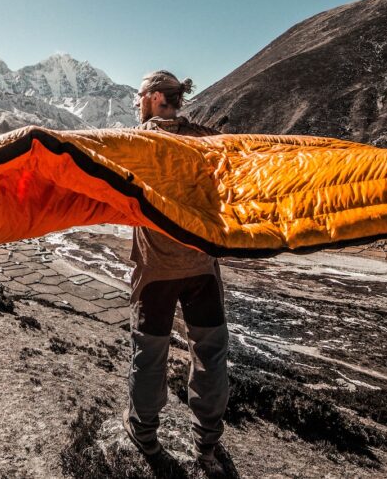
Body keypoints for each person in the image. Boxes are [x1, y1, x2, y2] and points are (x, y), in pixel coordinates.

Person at [121, 70, 231, 476]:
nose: (136, 103)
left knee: (150, 355)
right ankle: (207, 442)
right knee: (210, 353)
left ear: (152, 98)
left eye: (139, 97)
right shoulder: (206, 140)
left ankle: (145, 435)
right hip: (203, 268)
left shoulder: (133, 144)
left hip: (156, 273)